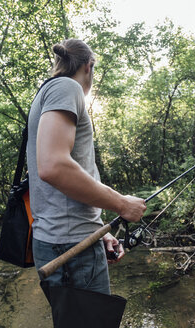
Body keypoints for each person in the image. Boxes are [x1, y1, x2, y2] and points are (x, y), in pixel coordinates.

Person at [26, 38, 147, 299]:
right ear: (88, 66)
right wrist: (122, 205)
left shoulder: (47, 92)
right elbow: (54, 167)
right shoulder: (67, 88)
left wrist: (96, 232)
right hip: (70, 247)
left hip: (68, 241)